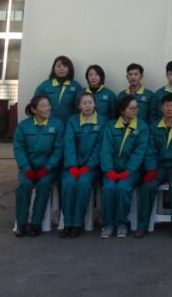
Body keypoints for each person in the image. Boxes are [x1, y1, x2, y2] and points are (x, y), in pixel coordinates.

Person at [136, 93, 172, 239]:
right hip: (158, 167)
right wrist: (151, 169)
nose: (169, 108)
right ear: (162, 108)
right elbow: (150, 150)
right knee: (147, 186)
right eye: (166, 105)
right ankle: (142, 226)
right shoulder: (154, 126)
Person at [13, 94, 64, 237]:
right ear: (34, 110)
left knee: (44, 184)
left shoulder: (57, 125)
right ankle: (21, 223)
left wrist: (48, 167)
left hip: (48, 169)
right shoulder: (23, 126)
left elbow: (59, 149)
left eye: (48, 105)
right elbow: (19, 149)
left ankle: (36, 223)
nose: (47, 108)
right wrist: (26, 168)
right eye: (43, 106)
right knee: (24, 185)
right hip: (28, 168)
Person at [100, 95, 149, 238]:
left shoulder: (142, 127)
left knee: (122, 188)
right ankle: (108, 224)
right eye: (131, 108)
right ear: (122, 110)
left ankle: (122, 223)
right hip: (111, 170)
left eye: (136, 108)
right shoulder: (110, 126)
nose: (135, 111)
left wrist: (128, 171)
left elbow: (139, 152)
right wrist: (109, 170)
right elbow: (106, 150)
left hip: (131, 171)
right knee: (108, 188)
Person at [59, 93, 102, 238]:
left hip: (91, 167)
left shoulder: (103, 121)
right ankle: (67, 223)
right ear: (79, 106)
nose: (87, 106)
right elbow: (69, 144)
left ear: (95, 104)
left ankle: (77, 223)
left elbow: (99, 147)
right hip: (72, 166)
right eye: (84, 103)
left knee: (83, 184)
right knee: (68, 183)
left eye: (90, 102)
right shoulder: (72, 121)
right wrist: (72, 166)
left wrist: (88, 166)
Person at [33, 55, 83, 128]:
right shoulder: (44, 86)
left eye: (65, 66)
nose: (61, 68)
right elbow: (35, 105)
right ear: (54, 69)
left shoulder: (76, 86)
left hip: (69, 126)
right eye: (59, 66)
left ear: (69, 69)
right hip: (47, 126)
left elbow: (82, 107)